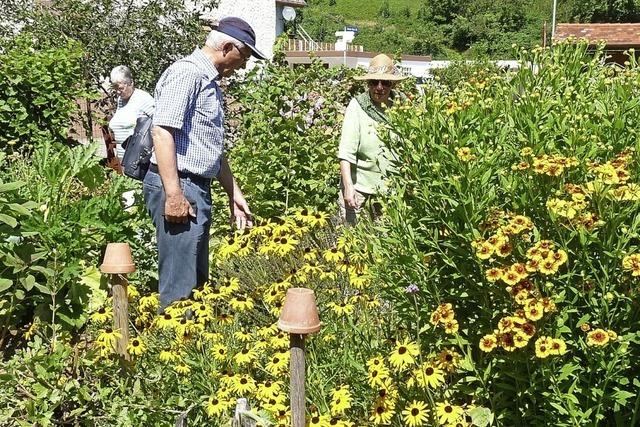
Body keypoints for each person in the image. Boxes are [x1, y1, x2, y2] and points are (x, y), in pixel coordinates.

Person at [143, 17, 265, 311]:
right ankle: (171, 349)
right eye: (244, 56)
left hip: (193, 185)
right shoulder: (187, 74)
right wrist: (174, 195)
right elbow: (162, 131)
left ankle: (190, 347)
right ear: (226, 47)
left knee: (196, 282)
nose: (244, 65)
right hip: (179, 185)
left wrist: (234, 195)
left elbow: (210, 149)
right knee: (180, 285)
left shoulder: (208, 83)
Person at [337, 54, 407, 225]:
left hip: (390, 191)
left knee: (387, 245)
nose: (379, 87)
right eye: (374, 82)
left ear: (393, 84)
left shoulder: (402, 107)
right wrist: (348, 187)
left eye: (386, 82)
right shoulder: (357, 106)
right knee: (355, 243)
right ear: (368, 83)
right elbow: (346, 152)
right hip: (359, 190)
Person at [108, 65, 155, 159]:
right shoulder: (121, 100)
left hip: (138, 161)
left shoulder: (143, 99)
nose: (117, 92)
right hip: (123, 158)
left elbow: (159, 123)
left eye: (120, 88)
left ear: (131, 83)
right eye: (115, 88)